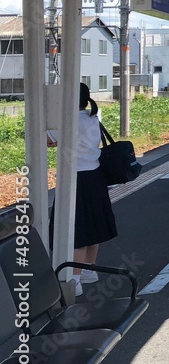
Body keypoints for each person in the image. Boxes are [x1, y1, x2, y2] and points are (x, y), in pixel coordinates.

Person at [46, 83, 118, 297]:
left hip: (74, 179)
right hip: (95, 176)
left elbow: (47, 140)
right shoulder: (92, 117)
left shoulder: (66, 122)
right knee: (93, 225)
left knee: (77, 230)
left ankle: (74, 280)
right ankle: (89, 269)